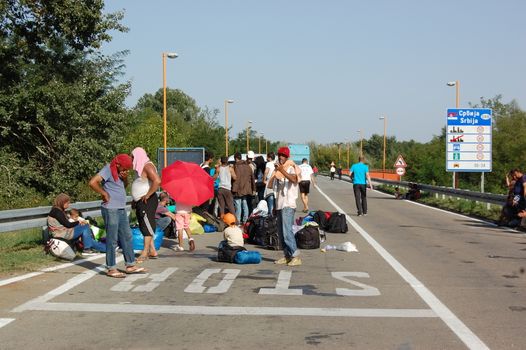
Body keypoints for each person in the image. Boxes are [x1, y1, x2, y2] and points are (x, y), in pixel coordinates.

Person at [89, 154, 146, 278]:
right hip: (110, 209)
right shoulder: (108, 169)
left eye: (127, 169)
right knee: (112, 239)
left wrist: (125, 179)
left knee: (127, 236)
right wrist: (103, 193)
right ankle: (111, 268)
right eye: (124, 168)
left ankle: (130, 265)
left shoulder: (121, 172)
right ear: (118, 164)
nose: (125, 171)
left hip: (120, 208)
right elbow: (93, 182)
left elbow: (122, 186)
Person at [268, 146, 302, 266]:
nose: (281, 157)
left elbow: (294, 179)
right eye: (279, 155)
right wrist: (274, 207)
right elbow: (275, 190)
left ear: (287, 157)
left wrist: (282, 171)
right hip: (280, 204)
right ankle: (287, 256)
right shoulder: (278, 170)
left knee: (287, 231)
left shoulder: (292, 167)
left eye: (283, 155)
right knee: (281, 233)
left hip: (288, 204)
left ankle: (295, 256)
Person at [131, 147, 161, 262]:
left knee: (147, 225)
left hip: (147, 201)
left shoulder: (147, 166)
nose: (132, 159)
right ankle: (152, 250)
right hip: (140, 201)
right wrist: (135, 199)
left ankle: (145, 251)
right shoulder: (140, 167)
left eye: (133, 156)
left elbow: (157, 181)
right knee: (143, 224)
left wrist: (147, 195)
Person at [232, 152, 255, 224]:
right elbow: (252, 179)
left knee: (238, 205)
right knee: (245, 204)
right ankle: (245, 220)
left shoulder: (236, 166)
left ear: (236, 158)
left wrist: (233, 189)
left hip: (238, 189)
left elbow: (235, 179)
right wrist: (253, 189)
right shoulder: (248, 166)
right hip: (246, 189)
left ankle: (238, 221)